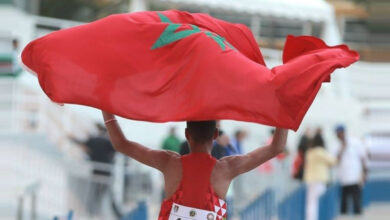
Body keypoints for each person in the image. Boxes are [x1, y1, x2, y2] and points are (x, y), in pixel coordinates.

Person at [102, 111, 288, 220]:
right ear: (215, 135)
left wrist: (105, 108)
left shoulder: (169, 162)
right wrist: (285, 111)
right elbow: (276, 147)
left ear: (186, 134)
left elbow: (121, 144)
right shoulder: (226, 168)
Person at [68, 123, 116, 216]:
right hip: (106, 172)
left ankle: (93, 212)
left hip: (96, 171)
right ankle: (98, 212)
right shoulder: (107, 141)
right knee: (102, 194)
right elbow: (115, 150)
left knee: (94, 193)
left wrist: (71, 138)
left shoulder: (94, 140)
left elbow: (82, 143)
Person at [304, 129, 336, 220]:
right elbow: (333, 161)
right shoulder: (320, 151)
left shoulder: (309, 152)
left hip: (310, 179)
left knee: (310, 202)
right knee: (319, 202)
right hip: (319, 180)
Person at [335, 125, 367, 215]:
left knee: (356, 203)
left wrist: (364, 173)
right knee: (343, 205)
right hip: (343, 179)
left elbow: (363, 157)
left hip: (355, 177)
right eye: (338, 133)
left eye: (341, 133)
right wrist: (342, 149)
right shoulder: (336, 146)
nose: (339, 135)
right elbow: (335, 160)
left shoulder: (355, 142)